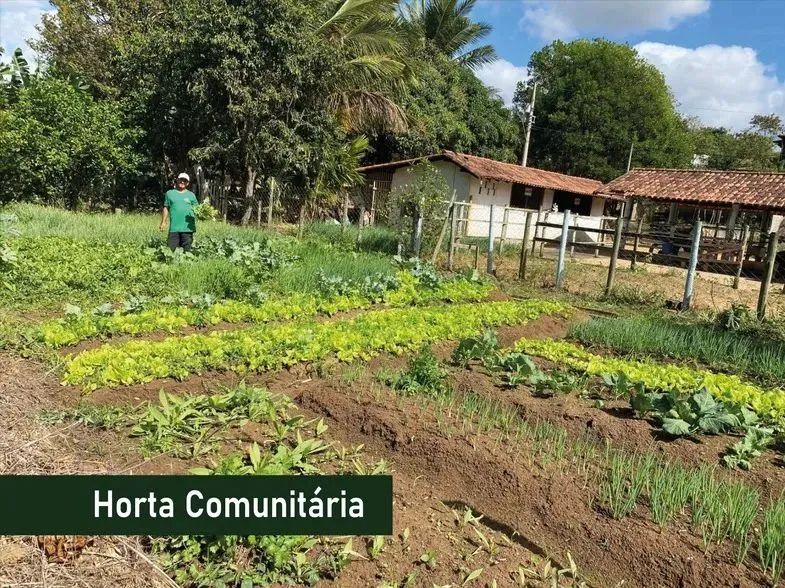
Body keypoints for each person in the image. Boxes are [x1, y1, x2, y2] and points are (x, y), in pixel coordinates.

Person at [160, 172, 198, 251]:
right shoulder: (170, 193)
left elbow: (197, 209)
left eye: (185, 180)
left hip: (188, 228)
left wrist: (203, 214)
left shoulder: (191, 195)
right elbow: (166, 207)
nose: (182, 182)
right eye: (181, 180)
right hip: (174, 228)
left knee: (187, 251)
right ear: (177, 180)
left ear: (187, 183)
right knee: (171, 251)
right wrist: (163, 222)